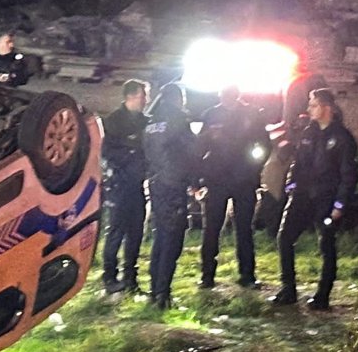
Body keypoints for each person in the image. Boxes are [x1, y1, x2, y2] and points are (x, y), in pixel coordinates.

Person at [270, 89, 358, 310]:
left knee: (326, 245)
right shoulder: (308, 133)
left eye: (313, 105)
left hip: (326, 199)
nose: (309, 109)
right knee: (284, 238)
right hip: (302, 196)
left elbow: (348, 174)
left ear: (326, 107)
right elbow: (298, 163)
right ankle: (288, 289)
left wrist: (340, 204)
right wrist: (291, 185)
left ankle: (322, 295)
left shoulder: (342, 138)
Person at [195, 85, 271, 289]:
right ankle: (208, 275)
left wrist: (254, 168)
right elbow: (201, 145)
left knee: (243, 229)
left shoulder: (251, 114)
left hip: (242, 180)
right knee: (212, 228)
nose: (226, 99)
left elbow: (264, 144)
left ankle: (245, 275)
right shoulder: (211, 114)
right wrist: (203, 172)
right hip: (218, 179)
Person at [143, 82, 198, 309]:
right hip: (174, 185)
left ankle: (154, 289)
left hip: (157, 183)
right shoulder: (179, 120)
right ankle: (163, 295)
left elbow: (148, 151)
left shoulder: (151, 121)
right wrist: (195, 180)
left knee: (160, 236)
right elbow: (191, 152)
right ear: (179, 99)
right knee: (172, 239)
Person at [99, 79, 150, 295]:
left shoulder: (146, 122)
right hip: (119, 184)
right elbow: (107, 153)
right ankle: (110, 277)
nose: (146, 100)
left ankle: (130, 277)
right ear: (131, 96)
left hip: (137, 184)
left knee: (136, 232)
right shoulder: (114, 121)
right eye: (143, 96)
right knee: (116, 231)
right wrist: (130, 155)